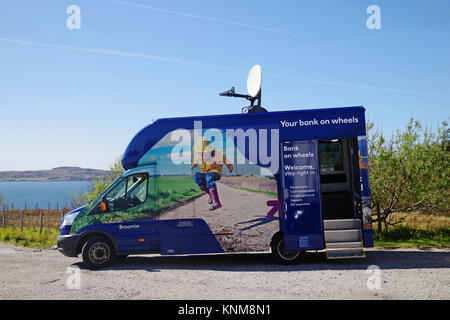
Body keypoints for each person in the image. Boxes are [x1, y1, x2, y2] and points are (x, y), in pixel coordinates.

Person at [191, 136, 233, 210]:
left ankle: (217, 203)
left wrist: (230, 167)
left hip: (215, 171)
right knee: (197, 178)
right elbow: (195, 159)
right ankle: (210, 194)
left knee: (209, 178)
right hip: (204, 172)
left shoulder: (215, 152)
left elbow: (225, 159)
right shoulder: (198, 154)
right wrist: (193, 165)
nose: (201, 154)